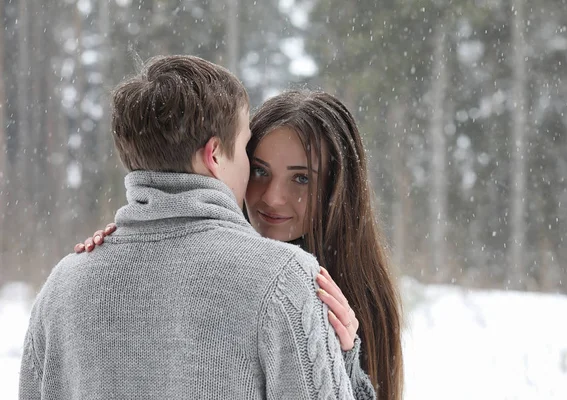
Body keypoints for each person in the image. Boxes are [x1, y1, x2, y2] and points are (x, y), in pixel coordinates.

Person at [19, 55, 368, 400]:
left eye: (302, 178)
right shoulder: (286, 280)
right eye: (248, 151)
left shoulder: (62, 286)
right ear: (214, 154)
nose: (271, 196)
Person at [79, 90, 404, 399]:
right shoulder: (211, 267)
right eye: (260, 171)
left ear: (337, 188)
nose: (272, 198)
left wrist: (341, 365)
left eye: (301, 178)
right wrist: (133, 245)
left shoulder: (361, 296)